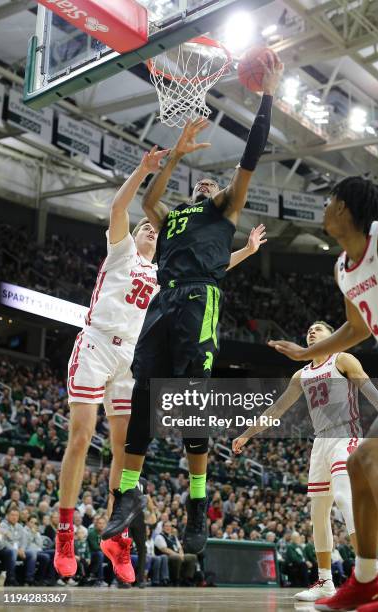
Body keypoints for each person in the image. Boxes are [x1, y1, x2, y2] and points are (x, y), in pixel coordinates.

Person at [102, 54, 284, 571]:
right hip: (164, 299)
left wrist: (266, 97)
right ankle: (128, 496)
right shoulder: (175, 216)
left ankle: (199, 501)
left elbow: (249, 159)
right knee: (143, 393)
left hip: (200, 298)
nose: (205, 185)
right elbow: (151, 202)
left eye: (211, 182)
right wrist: (177, 154)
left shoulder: (223, 209)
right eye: (198, 183)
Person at [268, 177, 378, 611]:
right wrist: (306, 352)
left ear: (343, 208)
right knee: (365, 462)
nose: (322, 207)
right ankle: (365, 579)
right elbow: (356, 329)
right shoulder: (344, 268)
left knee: (370, 459)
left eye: (327, 200)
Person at [54, 146, 168, 582]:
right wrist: (143, 170)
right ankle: (66, 531)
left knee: (125, 449)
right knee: (81, 439)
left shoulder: (160, 276)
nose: (148, 230)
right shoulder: (121, 253)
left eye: (153, 230)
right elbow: (121, 205)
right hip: (97, 344)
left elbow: (206, 272)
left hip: (128, 360)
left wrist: (245, 253)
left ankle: (115, 535)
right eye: (145, 227)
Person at [233, 319, 378, 602]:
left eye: (319, 329)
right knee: (318, 513)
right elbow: (277, 409)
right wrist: (246, 434)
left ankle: (367, 575)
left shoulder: (342, 359)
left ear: (332, 336)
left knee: (343, 496)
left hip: (347, 436)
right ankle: (326, 582)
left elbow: (370, 391)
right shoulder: (301, 375)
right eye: (309, 330)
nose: (312, 332)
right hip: (320, 442)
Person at [0, 508, 37, 585]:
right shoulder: (3, 525)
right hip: (5, 550)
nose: (14, 517)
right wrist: (16, 550)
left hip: (19, 550)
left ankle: (29, 579)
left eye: (16, 515)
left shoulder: (20, 527)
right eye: (12, 515)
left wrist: (22, 549)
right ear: (7, 516)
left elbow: (24, 541)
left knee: (32, 553)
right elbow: (4, 542)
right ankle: (11, 578)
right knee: (12, 551)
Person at [154, 521, 197, 586]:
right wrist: (177, 555)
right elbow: (164, 549)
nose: (168, 528)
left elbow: (180, 548)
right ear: (163, 528)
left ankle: (187, 578)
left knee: (192, 557)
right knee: (177, 558)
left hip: (177, 555)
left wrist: (181, 554)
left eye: (170, 526)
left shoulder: (173, 537)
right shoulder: (159, 537)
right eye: (166, 526)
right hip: (166, 557)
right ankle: (176, 579)